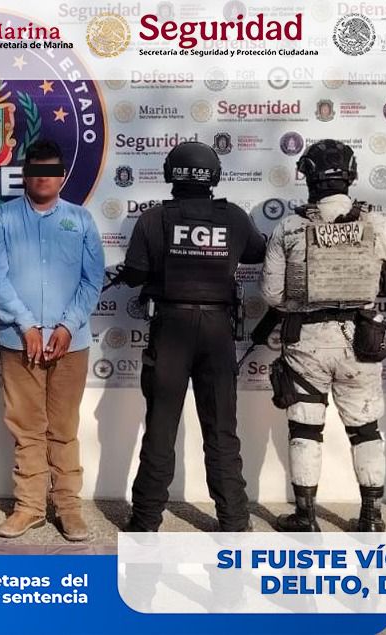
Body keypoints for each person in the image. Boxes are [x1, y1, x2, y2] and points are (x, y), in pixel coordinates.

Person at [261, 139, 386, 532]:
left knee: (305, 429)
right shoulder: (377, 224)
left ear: (308, 177)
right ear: (351, 174)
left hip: (307, 342)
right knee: (366, 430)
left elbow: (271, 295)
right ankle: (372, 517)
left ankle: (306, 517)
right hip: (361, 342)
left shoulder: (290, 227)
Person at [117, 141, 265, 532]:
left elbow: (134, 273)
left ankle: (145, 521)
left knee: (161, 427)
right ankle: (234, 521)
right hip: (217, 331)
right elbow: (257, 252)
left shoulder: (154, 218)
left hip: (171, 330)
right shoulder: (234, 217)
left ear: (171, 173)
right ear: (213, 175)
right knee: (221, 430)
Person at [0, 139, 104, 541]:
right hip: (19, 341)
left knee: (64, 427)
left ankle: (68, 508)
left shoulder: (81, 220)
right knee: (27, 428)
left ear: (62, 176)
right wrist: (27, 325)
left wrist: (67, 326)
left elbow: (92, 280)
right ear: (25, 175)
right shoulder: (1, 219)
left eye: (51, 172)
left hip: (72, 342)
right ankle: (29, 508)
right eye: (36, 171)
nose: (43, 179)